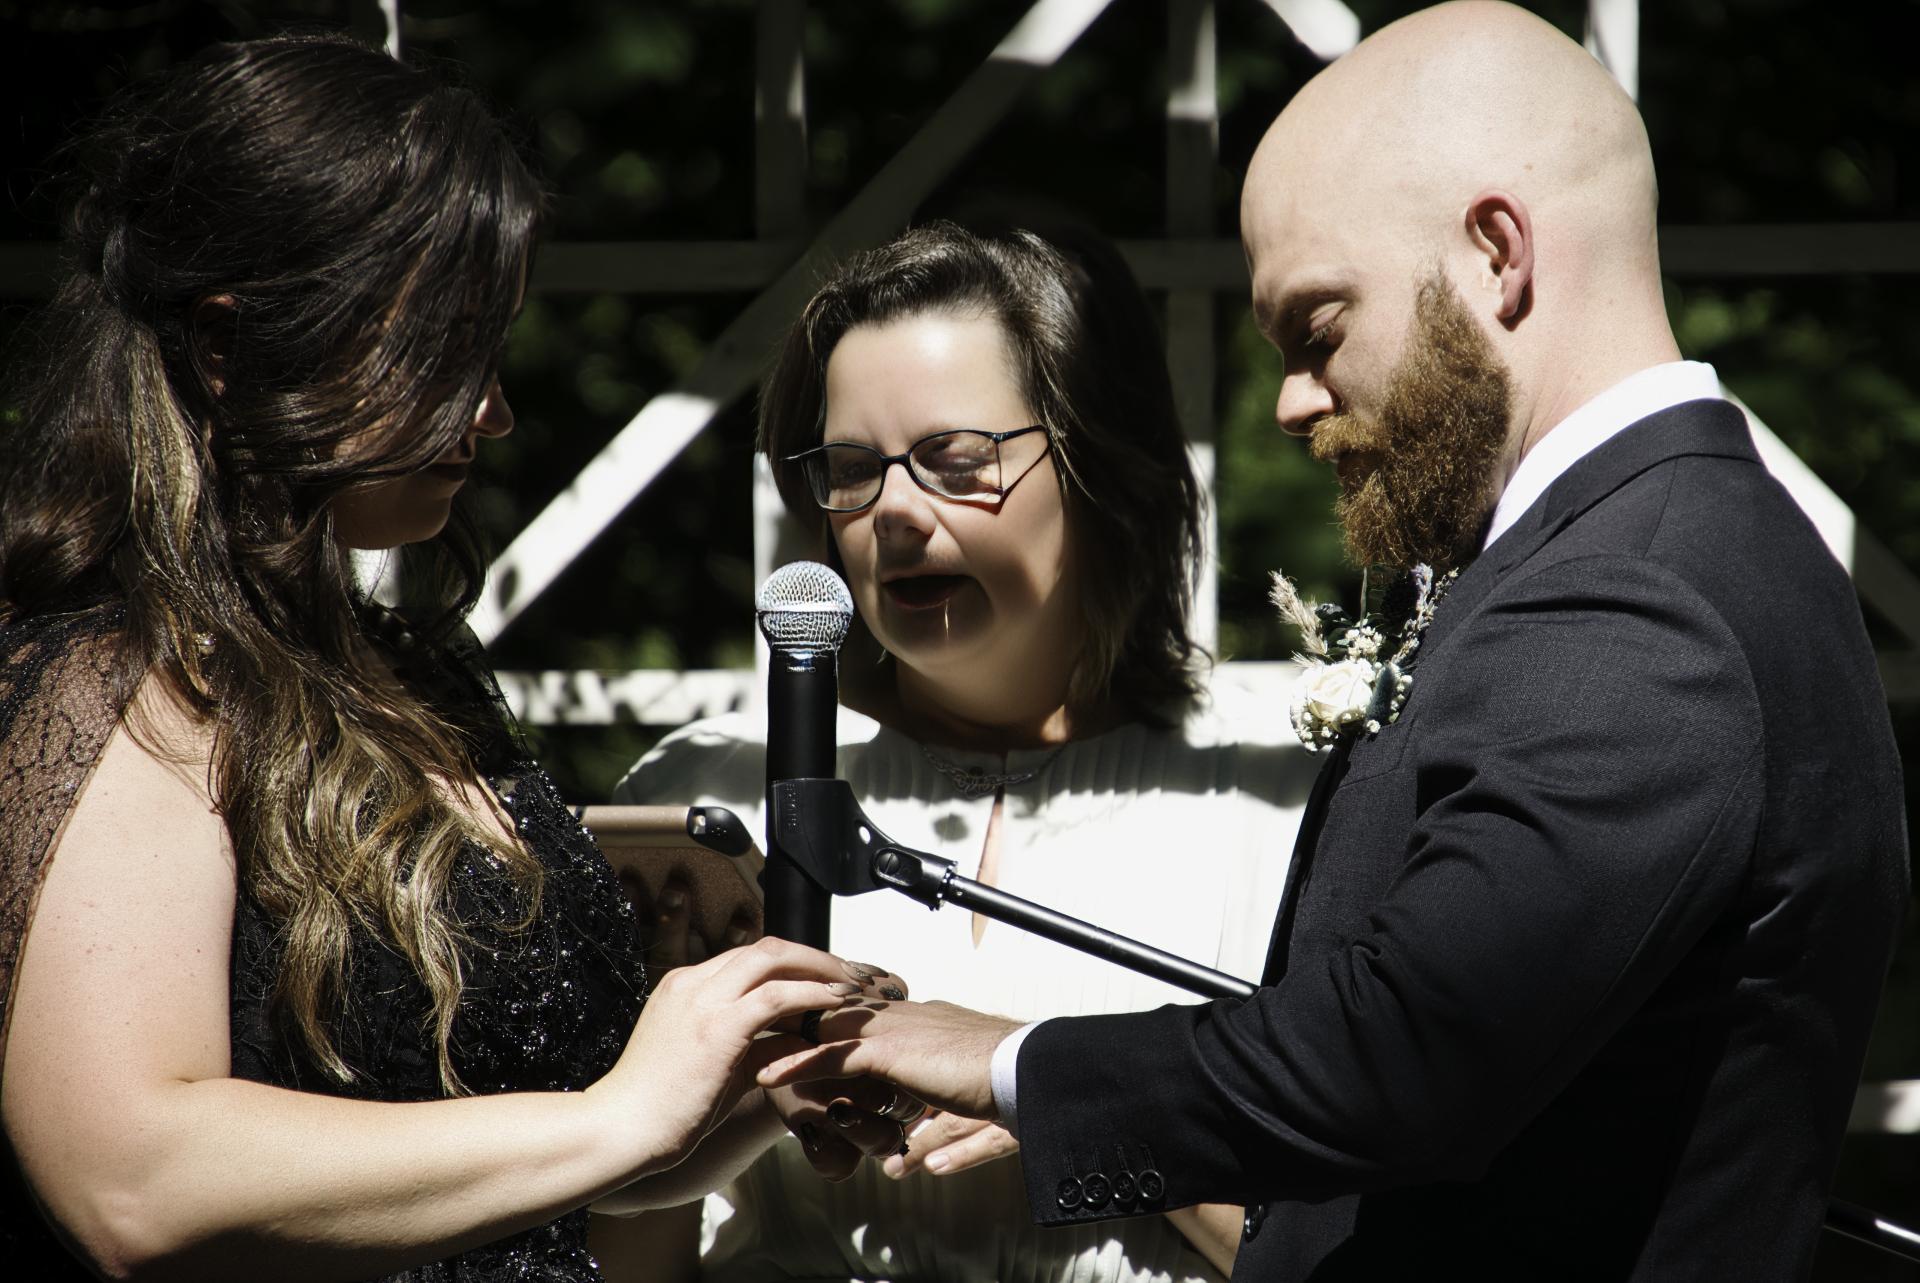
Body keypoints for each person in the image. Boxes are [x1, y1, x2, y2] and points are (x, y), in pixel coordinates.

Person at [755, 5, 1911, 1280]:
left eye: (1318, 328)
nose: (1291, 401)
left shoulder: (1636, 597)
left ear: (1497, 253)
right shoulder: (1674, 550)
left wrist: (1008, 1060)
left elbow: (1412, 1049)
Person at [0, 35, 904, 1281]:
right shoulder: (110, 681)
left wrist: (744, 1092)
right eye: (444, 349)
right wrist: (623, 1111)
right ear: (226, 347)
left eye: (494, 350)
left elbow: (510, 1158)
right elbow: (132, 1179)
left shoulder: (413, 677)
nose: (494, 409)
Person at [610, 219, 1314, 1281]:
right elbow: (621, 1261)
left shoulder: (1280, 798)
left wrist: (1051, 1090)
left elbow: (1355, 1240)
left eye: (953, 460)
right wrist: (692, 1106)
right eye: (852, 469)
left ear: (1099, 461)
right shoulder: (707, 793)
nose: (893, 512)